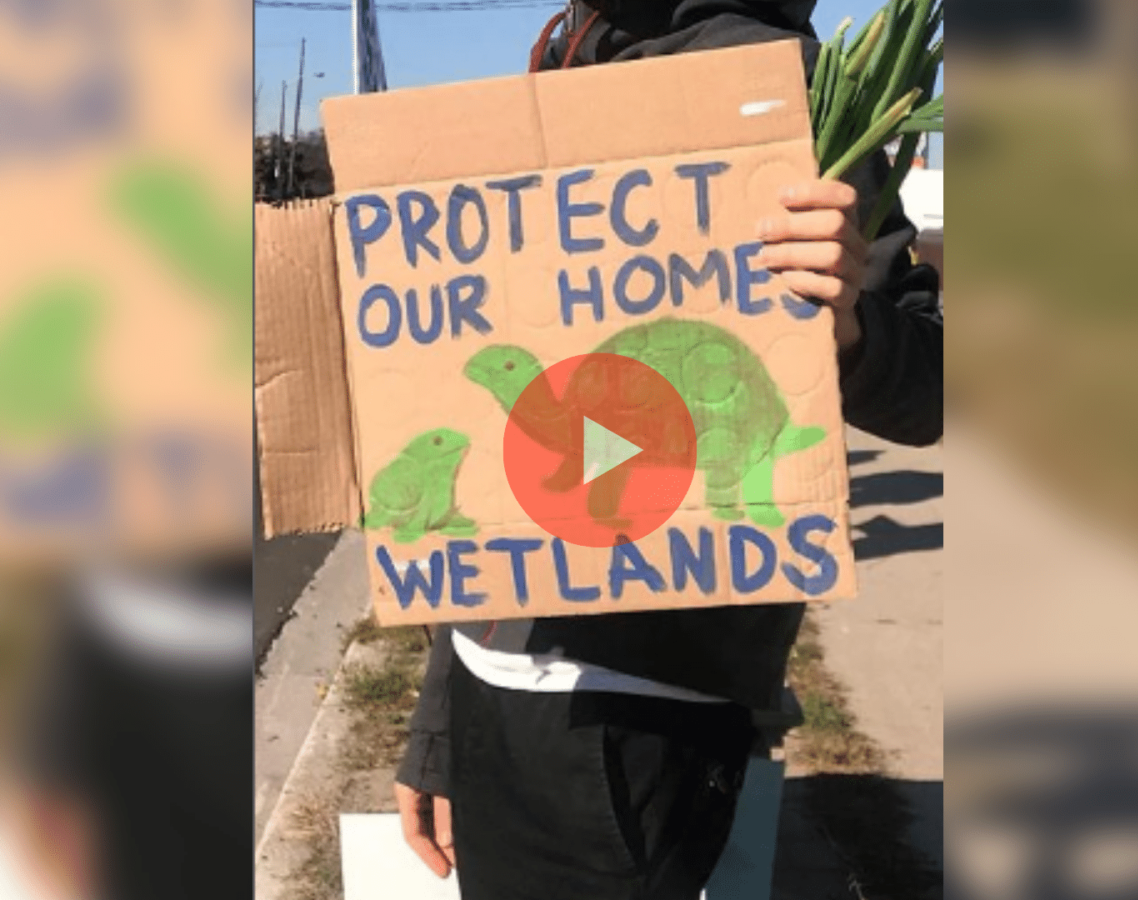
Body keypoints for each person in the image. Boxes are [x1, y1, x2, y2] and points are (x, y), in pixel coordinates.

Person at [394, 2, 943, 898]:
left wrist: (845, 320)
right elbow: (500, 448)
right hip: (493, 677)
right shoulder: (569, 57)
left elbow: (935, 381)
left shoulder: (777, 82)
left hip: (636, 709)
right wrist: (440, 723)